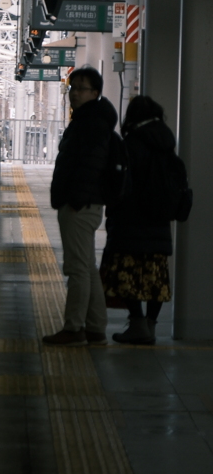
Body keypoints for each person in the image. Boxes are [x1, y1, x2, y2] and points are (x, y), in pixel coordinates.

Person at [43, 67, 119, 346]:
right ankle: (96, 327)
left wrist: (74, 199)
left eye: (81, 88)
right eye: (72, 87)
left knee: (76, 268)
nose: (74, 93)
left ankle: (74, 327)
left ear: (95, 93)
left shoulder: (90, 124)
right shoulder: (93, 120)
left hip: (80, 204)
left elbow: (88, 166)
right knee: (86, 267)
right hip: (86, 202)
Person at [100, 96, 175, 345]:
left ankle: (137, 324)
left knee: (126, 273)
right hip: (159, 221)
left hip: (129, 220)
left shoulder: (129, 143)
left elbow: (119, 182)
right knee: (155, 277)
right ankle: (150, 327)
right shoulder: (166, 142)